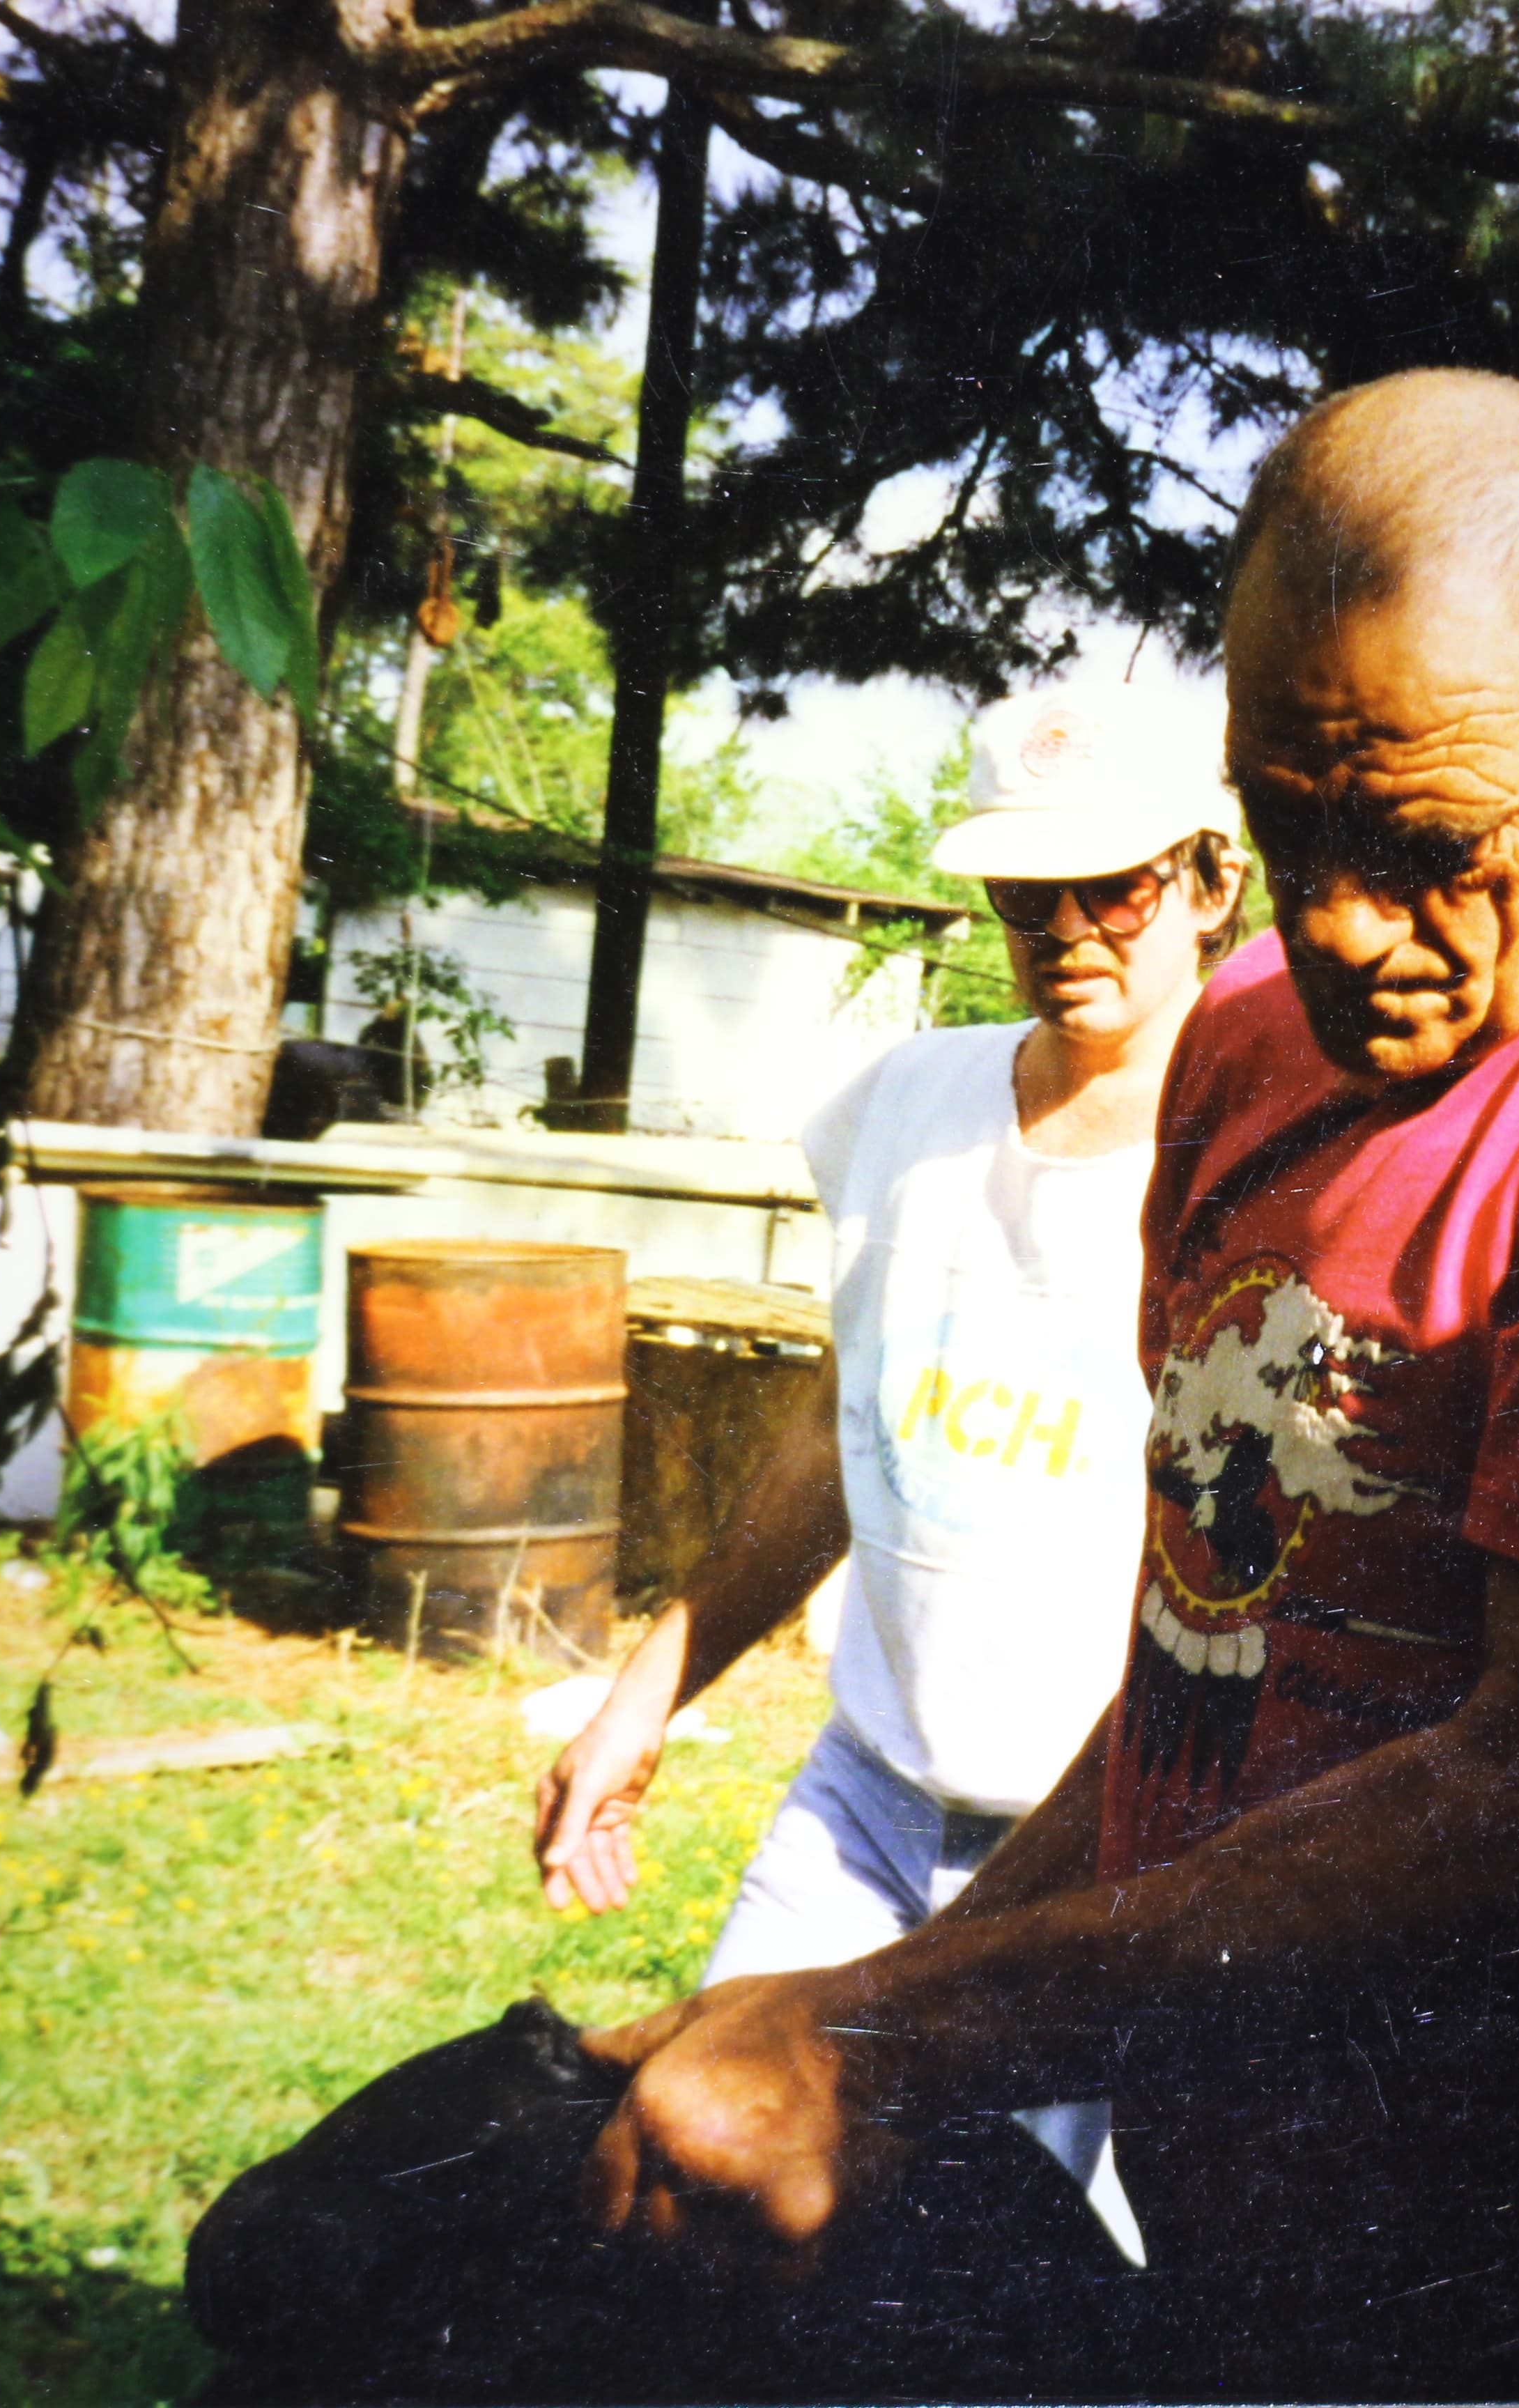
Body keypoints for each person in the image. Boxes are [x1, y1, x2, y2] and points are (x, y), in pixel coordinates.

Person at [578, 369, 1519, 2398]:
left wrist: (893, 2032)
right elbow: (1208, 1666)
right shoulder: (1248, 1052)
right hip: (1251, 2277)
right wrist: (880, 1997)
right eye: (1289, 820)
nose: (1347, 925)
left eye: (1432, 843)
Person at [529, 677, 1247, 2272]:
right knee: (695, 2183)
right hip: (867, 1804)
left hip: (1111, 1852)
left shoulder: (1258, 1150)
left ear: (1210, 877)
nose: (1067, 926)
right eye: (1022, 888)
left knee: (1039, 2289)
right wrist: (646, 1694)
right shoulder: (900, 1112)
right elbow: (844, 1436)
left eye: (1113, 883)